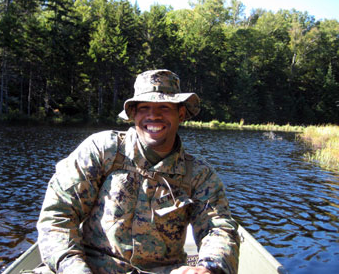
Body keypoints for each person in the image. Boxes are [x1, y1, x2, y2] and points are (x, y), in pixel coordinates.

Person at [37, 69, 240, 274]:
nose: (154, 115)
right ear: (133, 113)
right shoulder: (102, 150)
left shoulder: (199, 175)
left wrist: (210, 268)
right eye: (144, 107)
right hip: (88, 266)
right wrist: (73, 267)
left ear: (180, 114)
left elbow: (218, 229)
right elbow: (58, 215)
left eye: (164, 107)